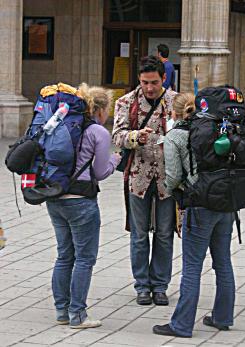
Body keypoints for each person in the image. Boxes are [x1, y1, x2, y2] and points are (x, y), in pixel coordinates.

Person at [153, 92, 235, 338]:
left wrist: (168, 190)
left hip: (199, 206)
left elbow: (174, 177)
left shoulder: (175, 136)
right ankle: (222, 316)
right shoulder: (215, 128)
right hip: (225, 202)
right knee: (223, 261)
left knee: (191, 267)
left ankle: (182, 324)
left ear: (173, 113)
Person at [46, 83, 121, 329]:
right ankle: (78, 314)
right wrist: (116, 159)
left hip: (56, 198)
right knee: (84, 259)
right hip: (81, 202)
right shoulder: (98, 132)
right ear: (100, 110)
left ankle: (61, 311)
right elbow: (99, 172)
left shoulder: (62, 125)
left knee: (64, 254)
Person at [112, 55, 176, 306]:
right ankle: (141, 285)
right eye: (144, 82)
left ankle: (160, 285)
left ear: (164, 78)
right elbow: (116, 136)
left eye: (154, 82)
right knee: (139, 235)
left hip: (168, 179)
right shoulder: (126, 102)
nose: (149, 88)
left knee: (164, 233)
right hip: (137, 177)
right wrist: (134, 137)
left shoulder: (176, 101)